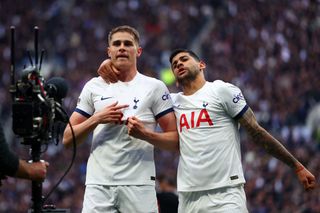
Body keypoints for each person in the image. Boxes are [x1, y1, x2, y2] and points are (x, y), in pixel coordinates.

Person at [98, 48, 316, 212]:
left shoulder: (221, 91)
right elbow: (129, 96)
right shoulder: (171, 103)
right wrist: (111, 65)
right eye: (174, 64)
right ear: (174, 77)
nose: (179, 64)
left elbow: (257, 132)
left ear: (201, 65)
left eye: (184, 59)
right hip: (188, 197)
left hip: (225, 193)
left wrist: (296, 166)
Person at [62, 25, 178, 213]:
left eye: (128, 44)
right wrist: (97, 118)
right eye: (116, 44)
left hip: (139, 185)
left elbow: (175, 141)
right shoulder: (93, 86)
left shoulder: (155, 87)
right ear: (109, 51)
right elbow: (68, 139)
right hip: (98, 185)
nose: (122, 47)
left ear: (138, 51)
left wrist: (146, 135)